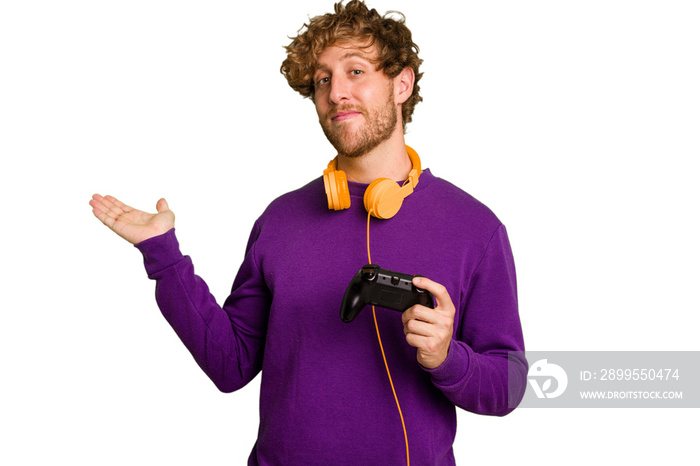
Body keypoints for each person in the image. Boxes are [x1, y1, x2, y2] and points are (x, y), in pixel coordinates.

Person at [89, 1, 527, 464]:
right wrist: (164, 256)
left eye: (355, 71)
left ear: (402, 83)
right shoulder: (281, 220)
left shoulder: (474, 228)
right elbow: (230, 363)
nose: (337, 92)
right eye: (323, 79)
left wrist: (446, 357)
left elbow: (509, 385)